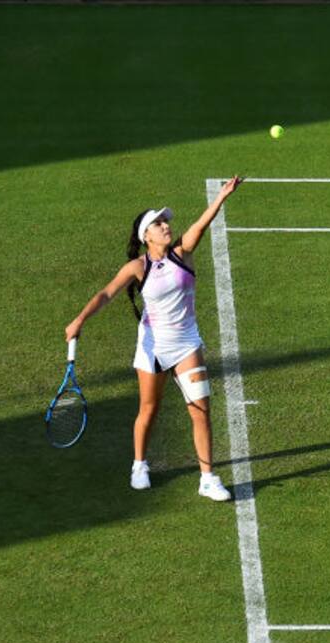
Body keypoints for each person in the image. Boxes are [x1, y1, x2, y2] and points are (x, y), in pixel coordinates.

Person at [65, 176, 244, 501]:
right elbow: (106, 293)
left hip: (187, 344)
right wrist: (79, 320)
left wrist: (222, 197)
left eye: (165, 221)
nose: (165, 226)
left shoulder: (183, 253)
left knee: (200, 409)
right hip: (153, 348)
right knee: (149, 407)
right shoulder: (137, 267)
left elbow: (201, 225)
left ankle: (208, 478)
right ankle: (139, 465)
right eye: (158, 223)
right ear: (145, 235)